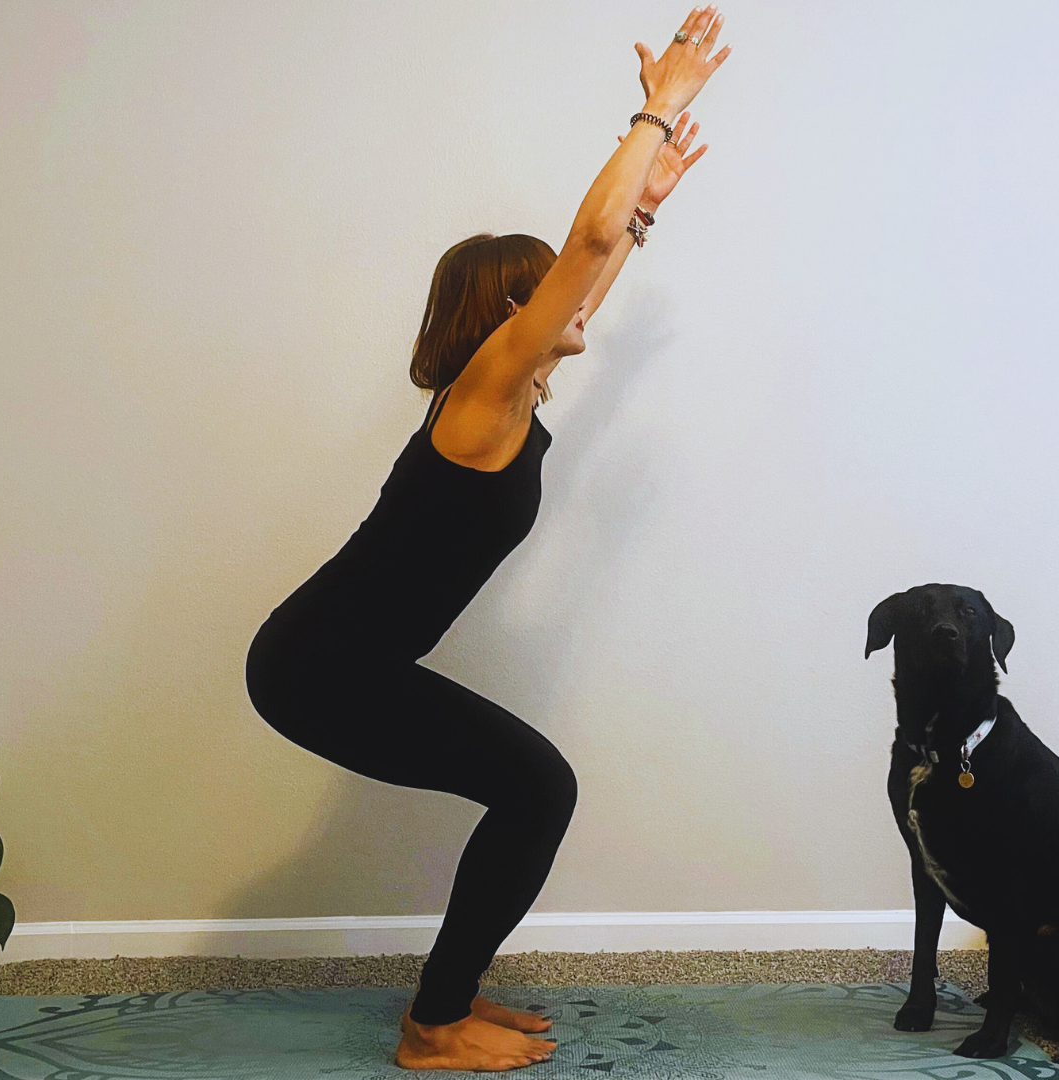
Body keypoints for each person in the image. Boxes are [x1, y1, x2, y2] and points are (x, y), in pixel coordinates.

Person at [246, 8, 731, 1071]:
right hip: (317, 666)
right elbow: (584, 250)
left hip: (335, 658)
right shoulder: (482, 398)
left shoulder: (505, 404)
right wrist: (657, 112)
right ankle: (433, 1025)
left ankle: (446, 998)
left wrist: (641, 220)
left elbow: (590, 270)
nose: (578, 292)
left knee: (529, 786)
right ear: (508, 311)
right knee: (537, 787)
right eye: (550, 284)